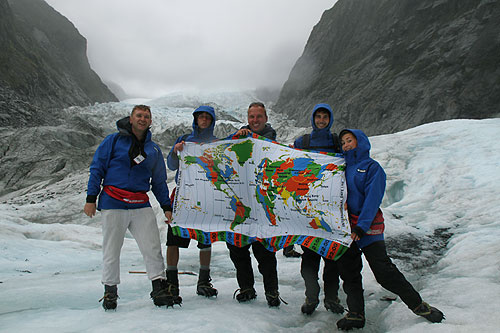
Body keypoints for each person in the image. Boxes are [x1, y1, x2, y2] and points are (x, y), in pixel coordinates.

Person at [335, 129, 444, 330]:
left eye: (349, 140)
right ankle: (356, 314)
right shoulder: (341, 167)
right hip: (347, 228)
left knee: (384, 271)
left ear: (360, 141)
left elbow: (373, 198)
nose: (346, 145)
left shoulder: (372, 167)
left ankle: (418, 305)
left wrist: (362, 225)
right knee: (349, 272)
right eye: (343, 143)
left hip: (368, 227)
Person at [84, 105, 174, 310]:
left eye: (147, 116)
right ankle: (110, 292)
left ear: (151, 121)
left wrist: (166, 206)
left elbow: (159, 182)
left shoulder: (153, 149)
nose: (143, 119)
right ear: (131, 119)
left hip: (140, 203)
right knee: (112, 249)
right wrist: (91, 198)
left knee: (152, 246)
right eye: (139, 116)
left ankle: (159, 287)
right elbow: (97, 168)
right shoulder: (113, 141)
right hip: (113, 202)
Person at [227, 102, 282, 307]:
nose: (255, 120)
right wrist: (235, 138)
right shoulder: (238, 137)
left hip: (262, 204)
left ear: (265, 118)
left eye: (259, 116)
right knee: (237, 249)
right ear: (247, 118)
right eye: (252, 117)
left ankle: (272, 291)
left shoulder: (273, 142)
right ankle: (246, 288)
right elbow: (222, 154)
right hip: (240, 204)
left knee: (265, 250)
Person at [292, 103, 344, 315]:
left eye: (325, 117)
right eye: (318, 117)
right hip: (308, 208)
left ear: (329, 119)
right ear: (312, 118)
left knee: (332, 257)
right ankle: (311, 296)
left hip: (331, 209)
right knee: (310, 255)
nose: (321, 120)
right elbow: (290, 166)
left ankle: (331, 298)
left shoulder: (336, 142)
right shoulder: (302, 142)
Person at [165, 106, 218, 304]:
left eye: (207, 117)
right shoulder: (184, 140)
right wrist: (175, 151)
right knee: (173, 239)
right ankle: (172, 283)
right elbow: (172, 165)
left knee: (205, 240)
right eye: (201, 117)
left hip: (206, 196)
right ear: (195, 120)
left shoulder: (216, 143)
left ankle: (203, 281)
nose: (203, 120)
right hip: (184, 196)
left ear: (212, 121)